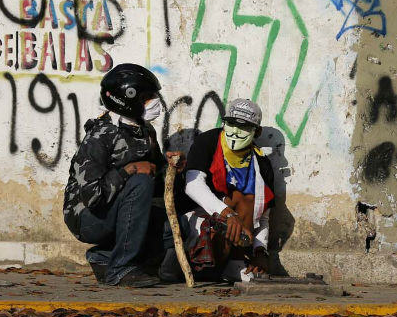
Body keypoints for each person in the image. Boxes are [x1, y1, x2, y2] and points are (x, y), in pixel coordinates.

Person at [62, 63, 186, 287]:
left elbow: (155, 181)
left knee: (176, 228)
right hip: (88, 218)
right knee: (139, 181)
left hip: (123, 212)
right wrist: (130, 170)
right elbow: (92, 196)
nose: (155, 102)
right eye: (147, 97)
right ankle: (120, 270)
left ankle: (104, 258)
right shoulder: (101, 135)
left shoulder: (145, 130)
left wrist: (172, 169)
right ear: (128, 99)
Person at [182, 98, 274, 282]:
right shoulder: (208, 141)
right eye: (231, 124)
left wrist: (259, 249)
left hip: (236, 233)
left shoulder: (261, 164)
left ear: (257, 131)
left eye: (245, 127)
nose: (236, 131)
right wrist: (227, 214)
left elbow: (263, 216)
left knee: (245, 198)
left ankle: (236, 263)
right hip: (199, 220)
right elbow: (193, 185)